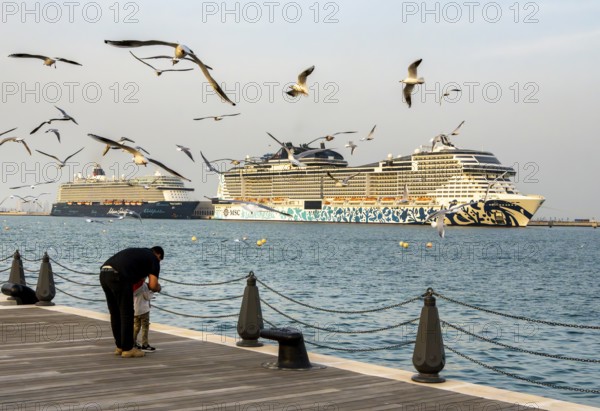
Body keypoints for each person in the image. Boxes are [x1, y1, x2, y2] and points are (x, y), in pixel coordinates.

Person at [100, 246, 163, 358]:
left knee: (115, 313)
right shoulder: (154, 259)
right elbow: (153, 285)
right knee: (127, 313)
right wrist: (158, 288)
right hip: (119, 276)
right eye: (160, 260)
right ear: (158, 255)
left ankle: (120, 346)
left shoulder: (140, 253)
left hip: (104, 273)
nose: (159, 262)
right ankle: (128, 349)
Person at [133, 279, 155, 351]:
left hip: (135, 309)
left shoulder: (133, 284)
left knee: (136, 327)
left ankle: (133, 342)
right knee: (145, 327)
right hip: (144, 310)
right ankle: (144, 344)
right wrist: (152, 291)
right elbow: (147, 297)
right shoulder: (143, 285)